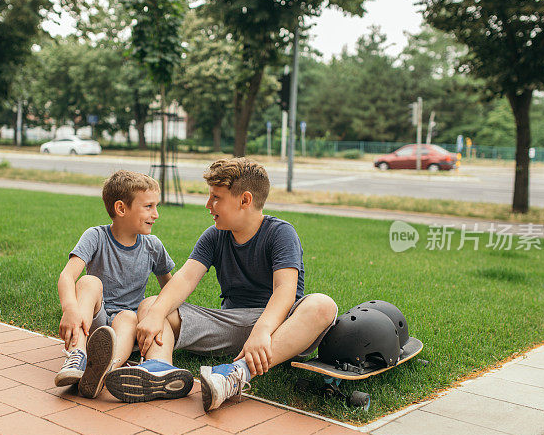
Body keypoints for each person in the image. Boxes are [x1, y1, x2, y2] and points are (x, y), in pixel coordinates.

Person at [107, 158, 338, 411]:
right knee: (153, 304)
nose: (208, 205)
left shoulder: (281, 233)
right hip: (231, 325)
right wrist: (156, 314)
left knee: (322, 305)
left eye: (216, 198)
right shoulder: (215, 235)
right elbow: (185, 278)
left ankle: (235, 374)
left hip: (278, 329)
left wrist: (261, 331)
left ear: (245, 200)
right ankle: (160, 370)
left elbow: (285, 290)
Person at [54, 170, 192, 401]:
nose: (156, 214)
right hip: (93, 326)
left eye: (156, 206)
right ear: (121, 209)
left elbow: (171, 287)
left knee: (128, 317)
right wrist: (69, 308)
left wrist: (164, 317)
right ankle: (78, 356)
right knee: (89, 282)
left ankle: (104, 371)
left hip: (126, 329)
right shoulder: (95, 236)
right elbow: (67, 276)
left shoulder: (152, 246)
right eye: (148, 206)